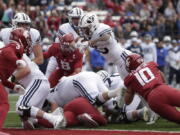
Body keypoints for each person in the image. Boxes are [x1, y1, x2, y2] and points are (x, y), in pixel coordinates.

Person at [124, 53, 180, 124]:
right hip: (164, 89)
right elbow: (160, 73)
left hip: (153, 99)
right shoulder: (150, 64)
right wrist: (165, 85)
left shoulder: (130, 79)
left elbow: (127, 101)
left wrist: (129, 90)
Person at [78, 12, 132, 79]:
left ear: (93, 25)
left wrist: (92, 42)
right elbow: (84, 41)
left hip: (124, 58)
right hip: (116, 63)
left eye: (85, 28)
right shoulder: (90, 35)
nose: (84, 31)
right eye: (83, 28)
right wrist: (81, 44)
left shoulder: (101, 28)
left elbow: (108, 38)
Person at [0, 28, 29, 134]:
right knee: (4, 103)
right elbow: (8, 52)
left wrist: (13, 86)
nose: (28, 41)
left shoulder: (12, 49)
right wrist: (16, 60)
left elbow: (2, 78)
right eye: (26, 39)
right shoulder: (13, 47)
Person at [45, 7, 84, 87]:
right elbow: (69, 43)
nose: (76, 20)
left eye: (78, 18)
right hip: (58, 54)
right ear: (70, 18)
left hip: (74, 57)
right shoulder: (64, 27)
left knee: (77, 77)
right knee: (48, 77)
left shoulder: (84, 28)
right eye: (74, 18)